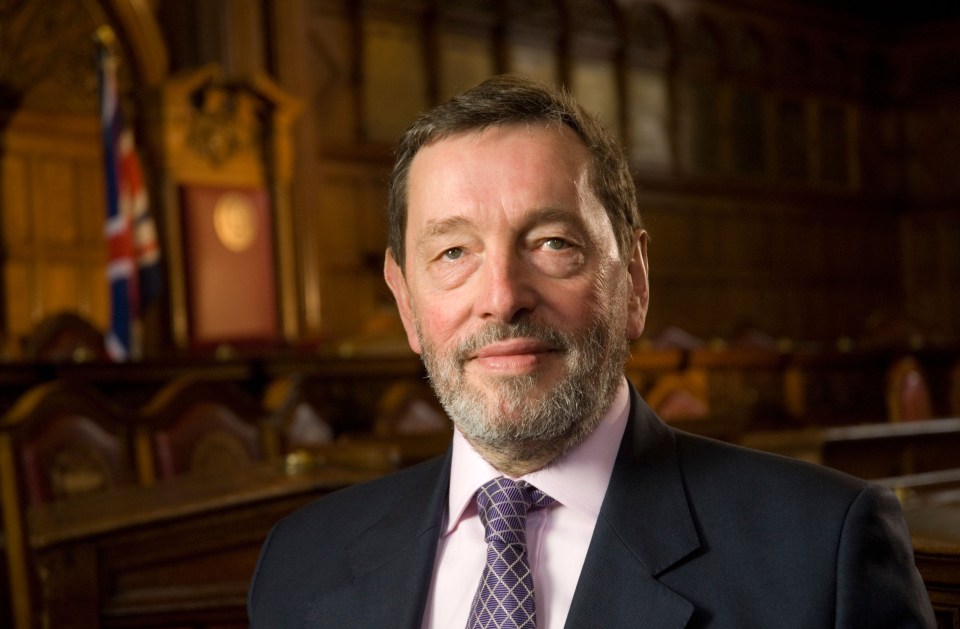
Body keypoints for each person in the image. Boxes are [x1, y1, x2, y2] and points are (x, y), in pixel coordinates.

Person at [248, 74, 935, 628]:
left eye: (552, 242)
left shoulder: (821, 554)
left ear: (633, 278)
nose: (502, 295)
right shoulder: (300, 564)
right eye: (453, 252)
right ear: (406, 302)